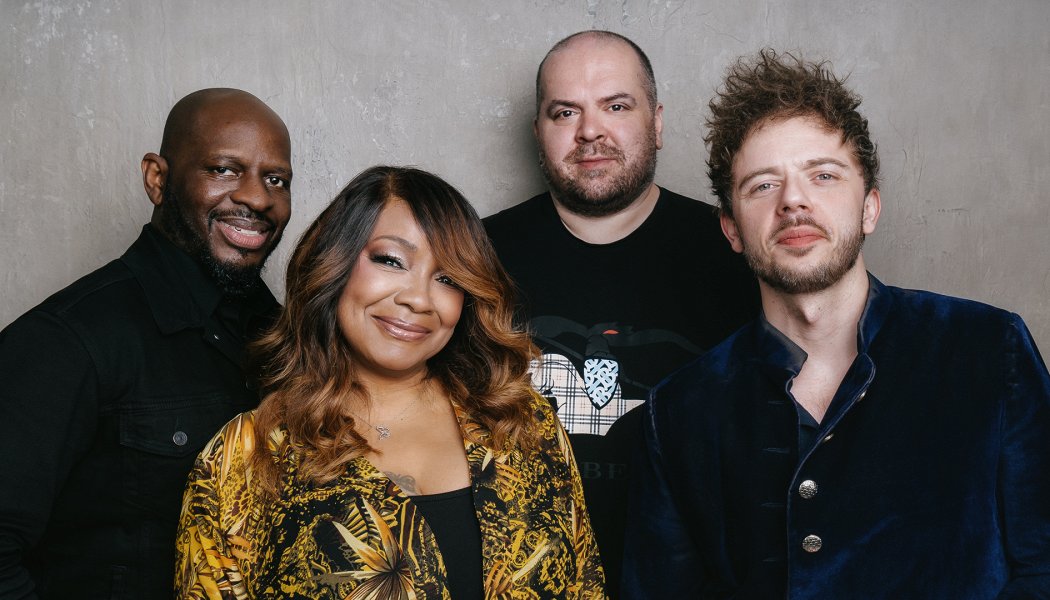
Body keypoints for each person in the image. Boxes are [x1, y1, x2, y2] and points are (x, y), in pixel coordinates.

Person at [622, 49, 1050, 598]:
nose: (793, 201)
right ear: (731, 229)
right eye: (762, 185)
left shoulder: (989, 349)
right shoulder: (681, 410)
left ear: (869, 207)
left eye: (822, 176)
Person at [176, 166, 605, 599]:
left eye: (448, 279)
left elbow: (586, 587)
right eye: (391, 260)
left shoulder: (523, 424)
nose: (418, 299)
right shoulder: (245, 458)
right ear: (335, 263)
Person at [484, 30, 758, 590]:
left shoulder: (739, 253)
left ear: (657, 123)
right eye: (565, 112)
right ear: (538, 132)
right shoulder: (474, 254)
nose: (590, 131)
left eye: (616, 106)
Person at [0, 88, 293, 599]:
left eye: (276, 180)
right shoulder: (65, 341)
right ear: (158, 179)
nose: (257, 198)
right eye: (224, 170)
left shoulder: (288, 337)